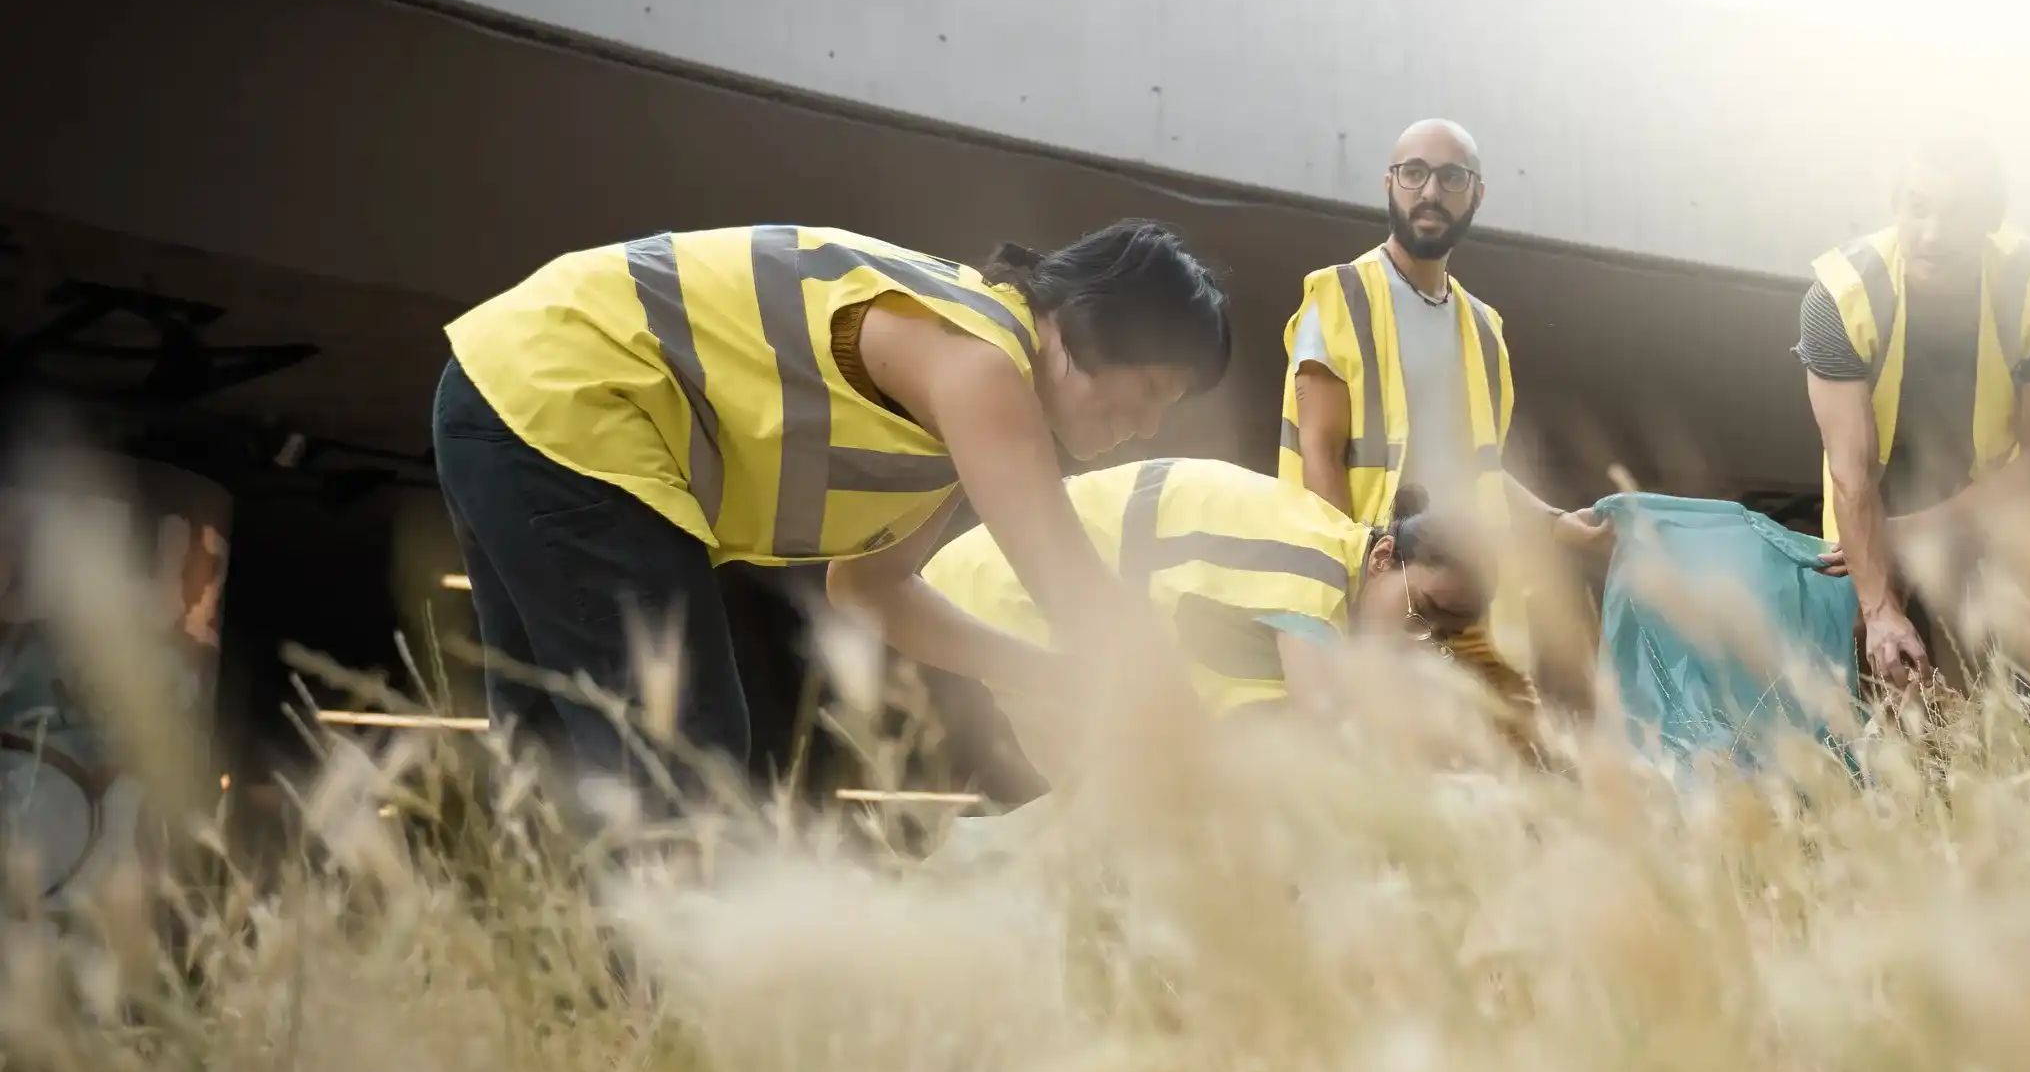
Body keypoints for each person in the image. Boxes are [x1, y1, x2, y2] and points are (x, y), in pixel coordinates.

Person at [432, 219, 1231, 794]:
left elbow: (872, 590)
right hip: (571, 391)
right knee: (680, 749)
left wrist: (1047, 675)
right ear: (1098, 326)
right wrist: (1186, 728)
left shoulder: (956, 406)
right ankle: (658, 1012)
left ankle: (559, 1000)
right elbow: (1072, 586)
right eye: (1155, 388)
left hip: (511, 390)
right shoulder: (982, 359)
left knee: (555, 741)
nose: (1150, 425)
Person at [1278, 118, 1604, 712]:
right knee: (1381, 765)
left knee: (1507, 763)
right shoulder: (1341, 295)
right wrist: (1349, 585)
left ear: (1476, 193)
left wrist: (1556, 522)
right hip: (1382, 587)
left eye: (1452, 177)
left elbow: (1481, 469)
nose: (1430, 191)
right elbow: (1318, 451)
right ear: (1390, 185)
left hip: (1473, 596)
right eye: (1415, 173)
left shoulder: (1485, 329)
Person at [919, 462, 1494, 788]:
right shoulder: (1315, 560)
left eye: (1440, 639)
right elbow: (1325, 729)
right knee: (1116, 823)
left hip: (1043, 604)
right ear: (1383, 556)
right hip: (1014, 588)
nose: (1420, 641)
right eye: (1425, 612)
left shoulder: (1323, 599)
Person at [1798, 132, 2030, 689]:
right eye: (1918, 208)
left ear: (1992, 217)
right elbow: (1851, 474)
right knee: (1867, 633)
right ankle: (1906, 765)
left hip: (2009, 473)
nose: (1932, 234)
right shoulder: (1838, 296)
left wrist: (1906, 532)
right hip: (1885, 477)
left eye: (1957, 215)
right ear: (1895, 205)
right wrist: (1882, 608)